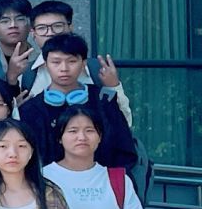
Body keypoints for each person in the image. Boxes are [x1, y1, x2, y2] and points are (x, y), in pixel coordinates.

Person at [19, 34, 140, 173]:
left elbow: (124, 149)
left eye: (71, 61)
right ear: (45, 65)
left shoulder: (103, 101)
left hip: (101, 180)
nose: (64, 68)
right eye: (56, 62)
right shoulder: (31, 109)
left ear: (83, 64)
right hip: (48, 183)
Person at [24, 1, 134, 118]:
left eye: (57, 26)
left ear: (70, 27)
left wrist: (113, 87)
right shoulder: (25, 74)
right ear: (33, 33)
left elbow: (124, 122)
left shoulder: (98, 70)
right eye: (41, 28)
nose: (50, 33)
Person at [0, 0, 40, 89]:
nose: (13, 25)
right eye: (5, 21)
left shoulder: (41, 60)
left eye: (20, 19)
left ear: (30, 24)